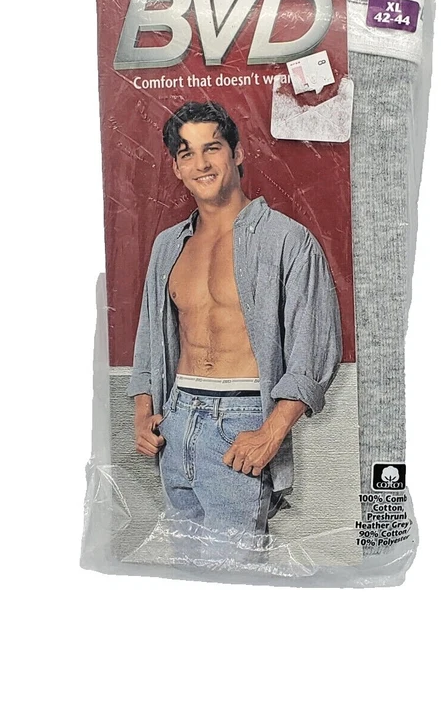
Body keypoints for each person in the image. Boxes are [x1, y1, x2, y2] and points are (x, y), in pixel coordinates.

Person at [128, 100, 342, 557]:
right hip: (176, 420)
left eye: (212, 148)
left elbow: (313, 349)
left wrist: (271, 432)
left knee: (234, 572)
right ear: (177, 168)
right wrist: (143, 410)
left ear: (237, 153)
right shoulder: (168, 246)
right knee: (187, 569)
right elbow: (150, 337)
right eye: (187, 153)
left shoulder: (287, 240)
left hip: (241, 421)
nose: (201, 163)